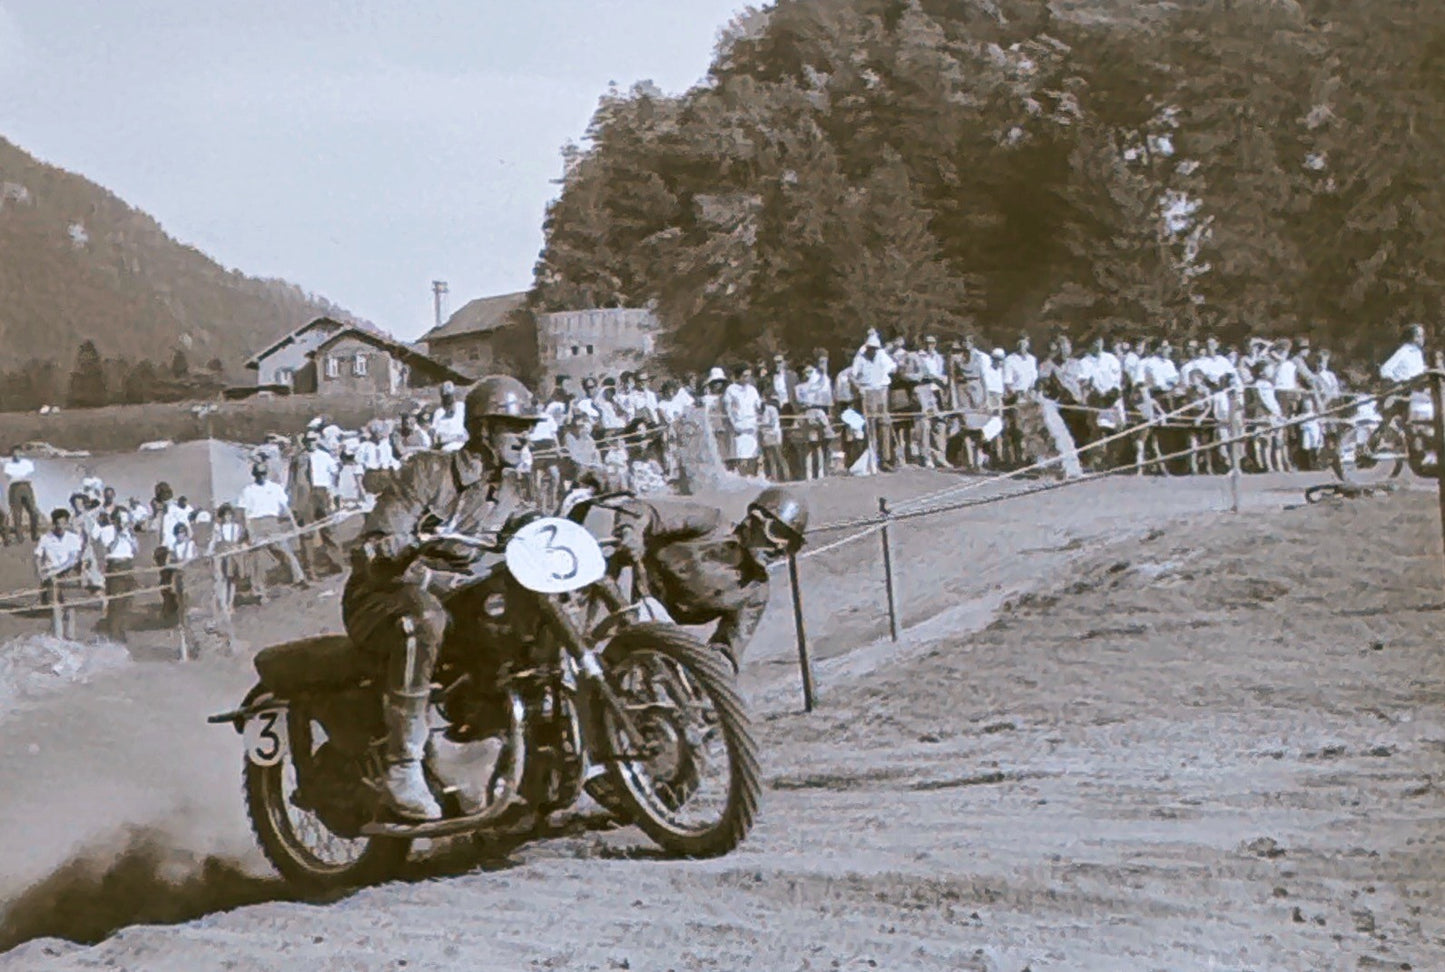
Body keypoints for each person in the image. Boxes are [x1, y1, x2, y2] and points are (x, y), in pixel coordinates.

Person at [343, 374, 543, 822]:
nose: (525, 434)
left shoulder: (508, 490)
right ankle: (402, 765)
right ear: (483, 429)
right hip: (383, 597)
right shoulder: (427, 470)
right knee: (424, 615)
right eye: (514, 425)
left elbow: (530, 528)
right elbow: (374, 546)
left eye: (528, 425)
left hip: (453, 601)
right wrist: (396, 546)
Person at [612, 486, 809, 674]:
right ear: (754, 520)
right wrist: (632, 532)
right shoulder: (710, 524)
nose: (780, 547)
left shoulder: (755, 590)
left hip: (670, 629)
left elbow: (728, 651)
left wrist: (713, 675)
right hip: (636, 581)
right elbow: (640, 509)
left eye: (790, 544)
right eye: (777, 533)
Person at [235, 461, 307, 601]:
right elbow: (244, 515)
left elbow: (285, 508)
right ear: (254, 475)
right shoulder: (248, 490)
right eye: (258, 474)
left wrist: (294, 525)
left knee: (284, 550)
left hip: (272, 522)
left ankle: (299, 579)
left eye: (263, 473)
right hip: (255, 524)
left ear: (266, 474)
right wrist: (249, 533)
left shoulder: (275, 488)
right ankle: (258, 592)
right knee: (256, 560)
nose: (261, 477)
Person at [96, 507, 138, 641]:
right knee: (116, 601)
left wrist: (131, 535)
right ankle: (113, 633)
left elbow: (136, 549)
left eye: (125, 520)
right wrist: (118, 534)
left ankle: (122, 630)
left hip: (128, 564)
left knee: (127, 600)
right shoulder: (107, 531)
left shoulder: (129, 532)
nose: (123, 523)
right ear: (114, 519)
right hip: (115, 565)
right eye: (120, 519)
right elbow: (110, 548)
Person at [35, 508, 84, 609]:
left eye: (63, 523)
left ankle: (58, 605)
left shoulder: (73, 538)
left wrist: (56, 571)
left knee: (55, 581)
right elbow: (38, 556)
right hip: (50, 571)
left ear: (67, 523)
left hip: (67, 570)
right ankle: (53, 603)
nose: (60, 526)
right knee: (50, 585)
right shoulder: (45, 538)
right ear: (53, 523)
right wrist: (40, 570)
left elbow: (72, 560)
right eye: (58, 523)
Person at [3, 448, 39, 544]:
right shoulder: (8, 465)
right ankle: (20, 537)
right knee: (17, 514)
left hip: (26, 486)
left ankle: (34, 534)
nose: (16, 455)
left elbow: (30, 474)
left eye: (18, 453)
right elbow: (9, 476)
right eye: (14, 454)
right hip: (15, 487)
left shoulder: (27, 463)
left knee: (34, 511)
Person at [431, 381, 468, 452]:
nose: (448, 400)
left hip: (462, 445)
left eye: (450, 397)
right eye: (445, 398)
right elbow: (436, 436)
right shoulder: (439, 413)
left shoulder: (461, 407)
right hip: (446, 448)